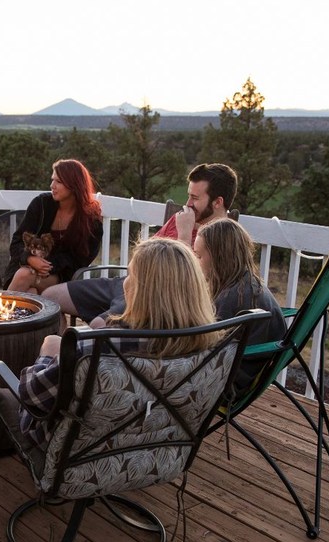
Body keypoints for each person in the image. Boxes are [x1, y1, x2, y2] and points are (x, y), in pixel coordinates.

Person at [16, 237, 220, 449]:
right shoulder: (214, 346)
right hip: (159, 450)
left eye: (130, 274)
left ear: (140, 289)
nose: (124, 281)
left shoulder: (99, 346)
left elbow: (33, 397)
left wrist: (48, 355)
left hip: (81, 450)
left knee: (8, 389)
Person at [43, 162, 238, 328]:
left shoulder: (222, 239)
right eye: (188, 195)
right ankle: (53, 359)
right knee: (49, 298)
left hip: (149, 295)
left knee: (98, 326)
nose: (187, 203)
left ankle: (73, 365)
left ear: (217, 202)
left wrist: (185, 235)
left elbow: (188, 287)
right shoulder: (182, 217)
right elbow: (142, 255)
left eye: (195, 198)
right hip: (126, 282)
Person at [194, 219, 287, 392]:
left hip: (226, 385)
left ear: (220, 257)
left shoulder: (232, 299)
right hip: (243, 375)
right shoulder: (248, 285)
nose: (195, 261)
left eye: (198, 256)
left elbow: (203, 349)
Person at [4, 159, 103, 293]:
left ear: (74, 185)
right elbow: (16, 243)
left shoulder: (91, 219)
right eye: (52, 180)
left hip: (61, 276)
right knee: (31, 292)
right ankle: (53, 314)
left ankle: (2, 312)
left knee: (25, 276)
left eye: (58, 181)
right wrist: (30, 258)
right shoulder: (41, 205)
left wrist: (46, 265)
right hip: (24, 267)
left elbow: (82, 259)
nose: (52, 185)